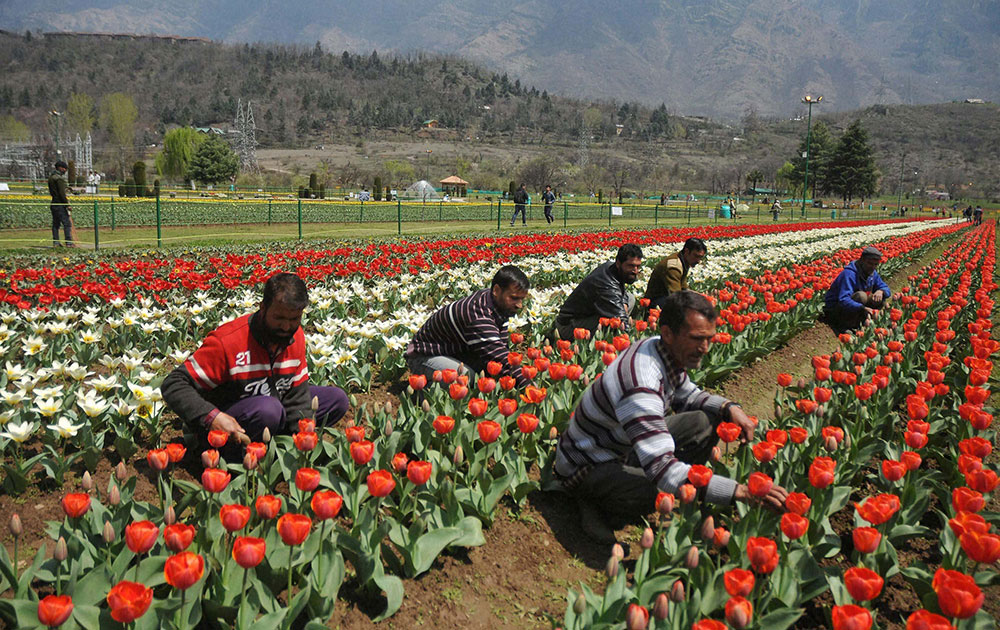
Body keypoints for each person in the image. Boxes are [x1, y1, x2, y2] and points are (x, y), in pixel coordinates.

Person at [554, 290, 788, 542]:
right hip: (588, 463)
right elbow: (663, 470)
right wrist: (739, 492)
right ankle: (593, 504)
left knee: (704, 421)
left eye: (709, 338)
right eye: (698, 338)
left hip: (622, 445)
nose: (705, 348)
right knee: (656, 490)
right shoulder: (641, 383)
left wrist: (730, 408)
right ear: (668, 333)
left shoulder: (659, 347)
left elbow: (688, 395)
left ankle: (678, 487)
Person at [162, 272, 349, 443]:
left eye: (294, 319)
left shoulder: (295, 336)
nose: (286, 327)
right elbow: (174, 383)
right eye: (279, 318)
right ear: (263, 308)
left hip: (269, 405)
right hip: (227, 421)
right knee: (269, 410)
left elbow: (297, 396)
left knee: (336, 399)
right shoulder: (229, 342)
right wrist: (212, 417)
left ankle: (276, 447)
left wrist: (303, 441)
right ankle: (233, 453)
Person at [406, 265, 530, 386]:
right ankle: (426, 394)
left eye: (521, 299)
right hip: (424, 356)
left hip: (455, 352)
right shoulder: (477, 314)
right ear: (496, 290)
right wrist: (530, 387)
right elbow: (500, 358)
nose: (519, 305)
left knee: (489, 372)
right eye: (514, 298)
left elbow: (500, 350)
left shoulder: (495, 303)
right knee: (467, 378)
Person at [553, 243, 642, 340]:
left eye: (638, 266)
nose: (635, 270)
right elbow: (620, 322)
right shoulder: (606, 285)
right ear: (618, 263)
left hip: (588, 314)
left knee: (630, 298)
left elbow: (621, 292)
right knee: (613, 323)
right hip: (569, 325)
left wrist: (624, 304)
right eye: (631, 266)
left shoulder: (611, 268)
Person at [822, 246, 891, 335]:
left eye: (875, 264)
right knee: (861, 296)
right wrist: (863, 308)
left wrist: (881, 291)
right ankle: (844, 325)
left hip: (853, 306)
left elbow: (886, 289)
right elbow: (843, 299)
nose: (873, 267)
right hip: (835, 309)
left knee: (880, 298)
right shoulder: (849, 274)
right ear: (862, 260)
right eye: (870, 263)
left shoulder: (872, 273)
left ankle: (863, 322)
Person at [643, 238, 707, 311]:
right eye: (696, 256)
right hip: (656, 301)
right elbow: (676, 294)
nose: (698, 261)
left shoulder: (683, 260)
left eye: (700, 257)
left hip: (667, 297)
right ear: (687, 251)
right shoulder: (674, 266)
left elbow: (684, 288)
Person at [47, 160, 74, 247]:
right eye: (64, 168)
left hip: (53, 203)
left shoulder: (51, 177)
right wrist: (67, 204)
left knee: (56, 224)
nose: (65, 171)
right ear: (60, 168)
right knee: (67, 223)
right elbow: (62, 193)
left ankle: (56, 242)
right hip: (60, 204)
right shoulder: (59, 179)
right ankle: (69, 242)